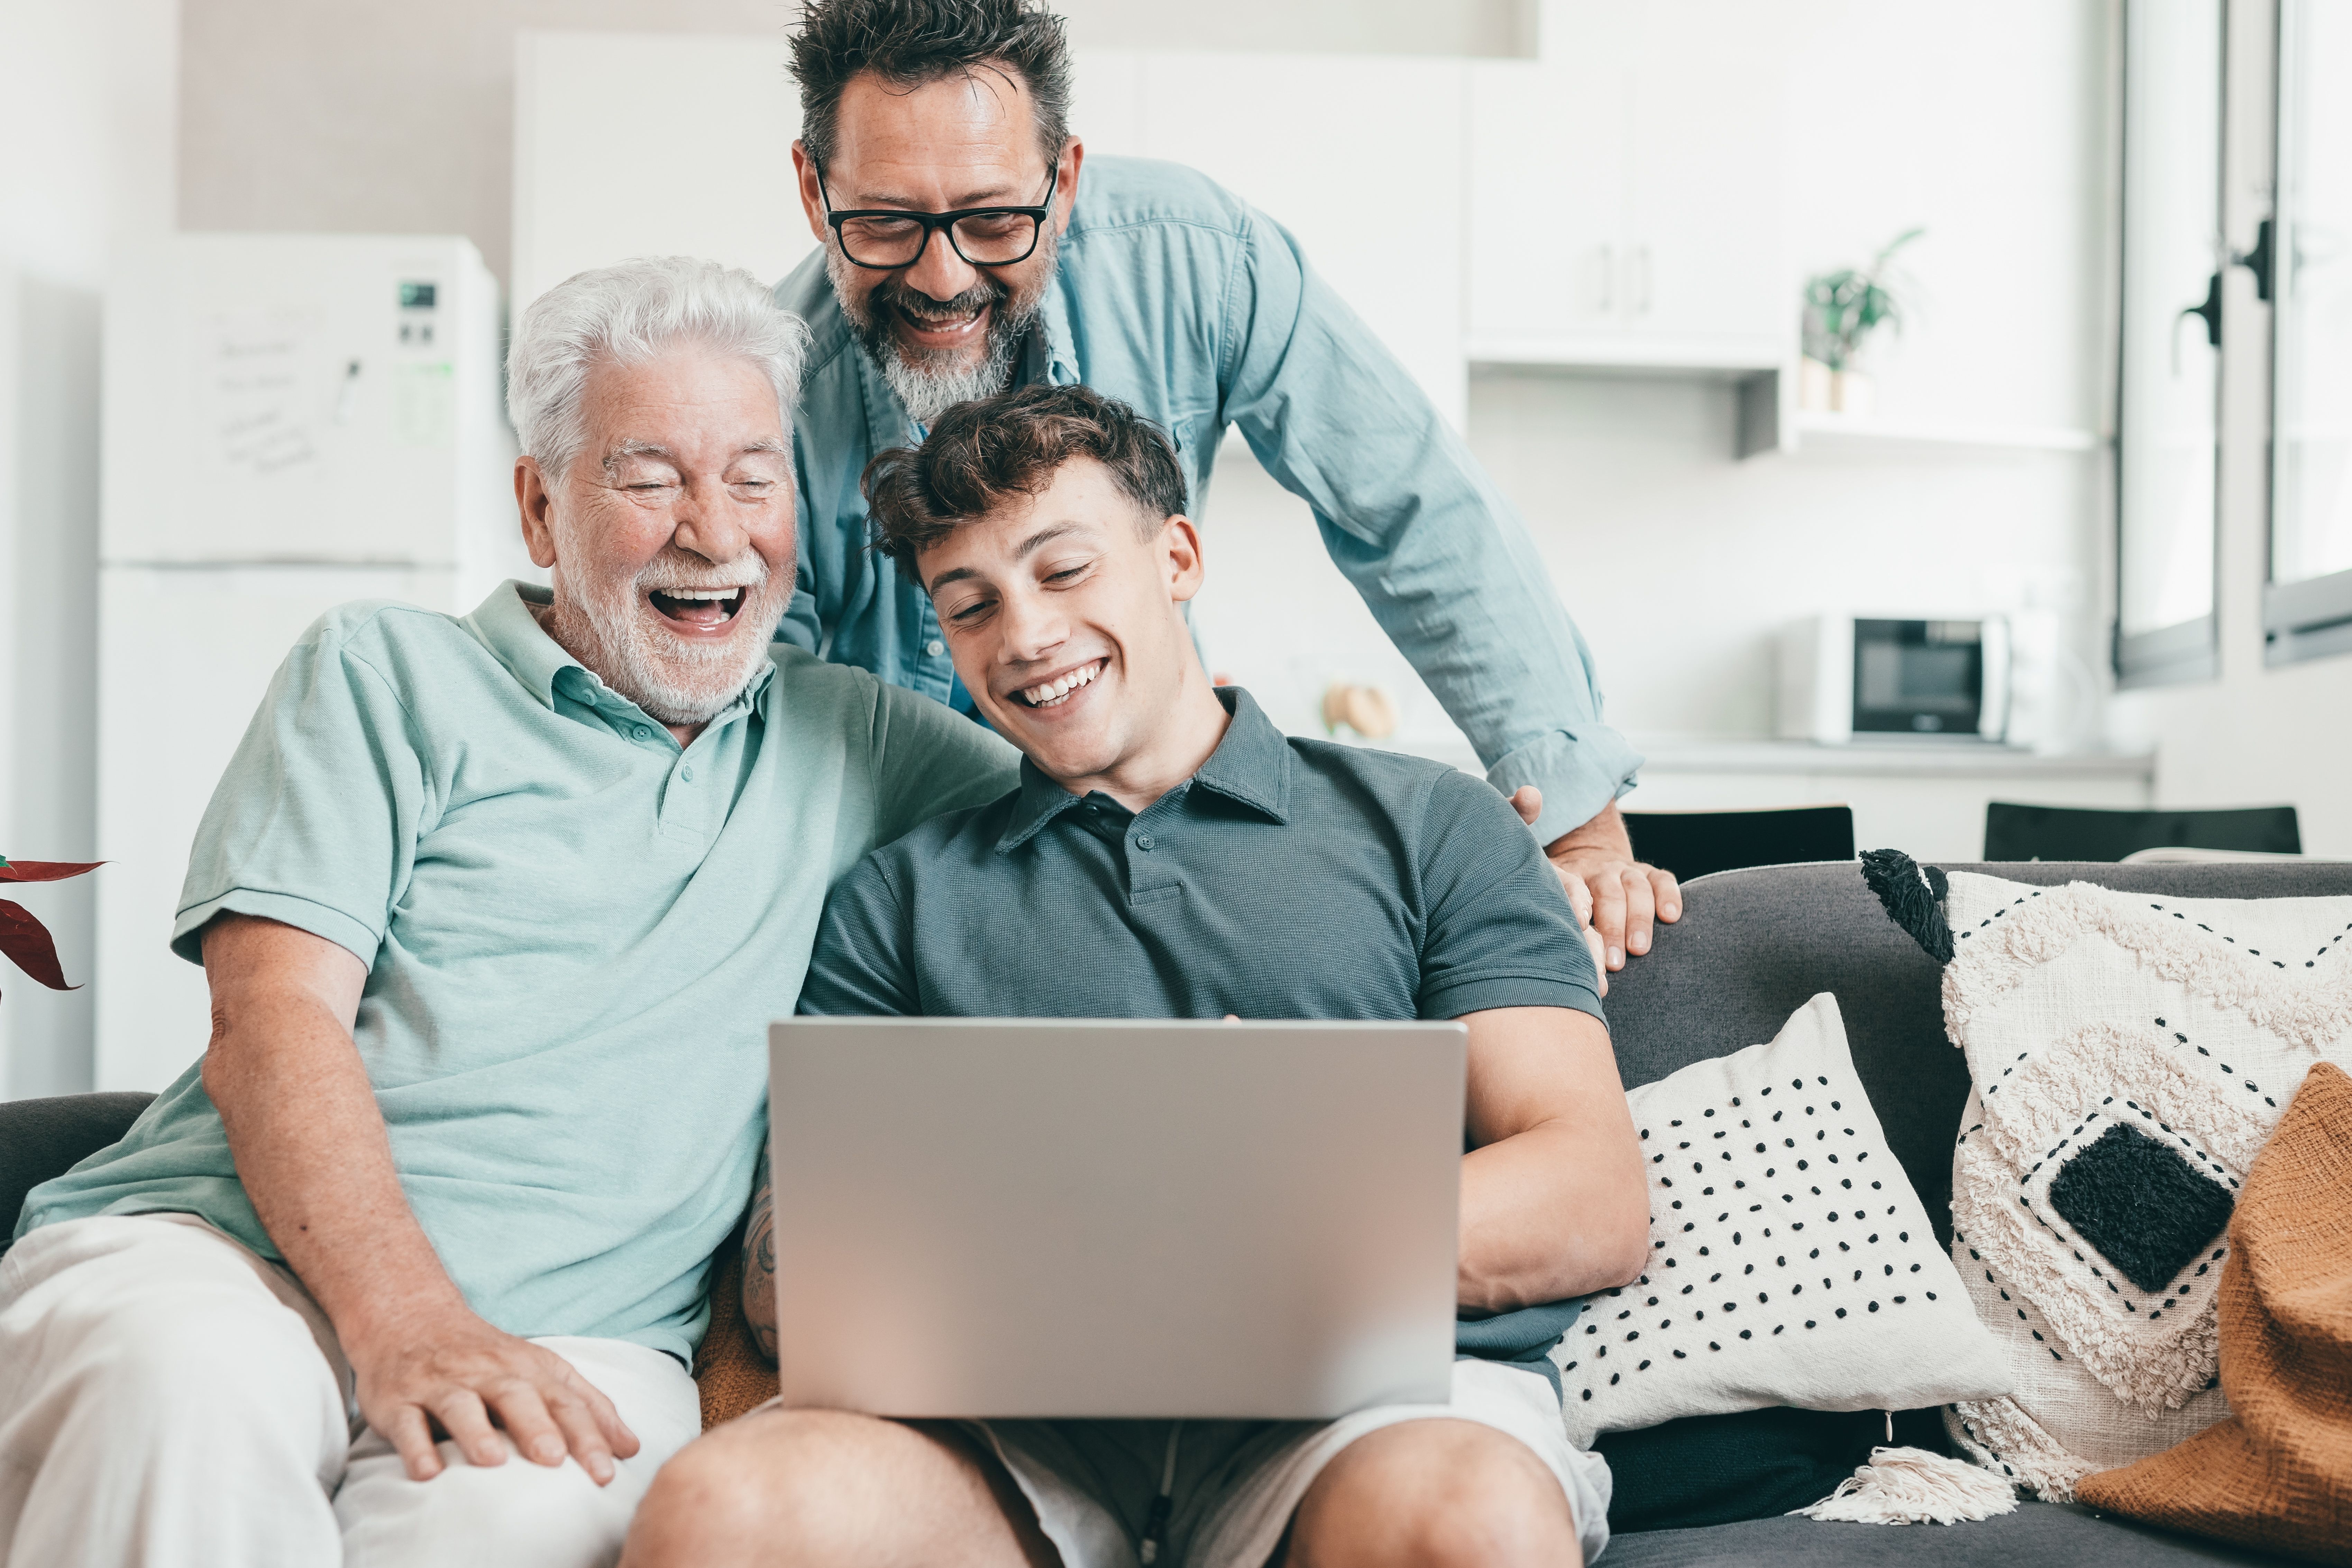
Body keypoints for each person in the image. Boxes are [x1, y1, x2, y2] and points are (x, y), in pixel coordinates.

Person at [0, 258, 1016, 1568]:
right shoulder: (383, 672)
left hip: (577, 1339)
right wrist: (407, 1324)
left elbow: (1096, 799)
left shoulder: (855, 740)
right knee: (184, 1384)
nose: (716, 532)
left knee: (518, 1510)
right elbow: (272, 1020)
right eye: (650, 476)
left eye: (755, 476)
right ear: (541, 506)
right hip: (220, 1257)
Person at [623, 384, 1650, 1568]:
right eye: (971, 606)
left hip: (1372, 1409)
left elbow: (1590, 1198)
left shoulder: (1434, 827)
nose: (1024, 639)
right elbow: (793, 1277)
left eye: (1064, 573)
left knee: (1464, 1519)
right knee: (723, 1515)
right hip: (1012, 1433)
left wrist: (1217, 1242)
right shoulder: (898, 899)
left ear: (1178, 556)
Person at [772, 0, 1682, 979]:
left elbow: (1412, 505)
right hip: (925, 879)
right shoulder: (770, 401)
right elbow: (755, 723)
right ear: (817, 196)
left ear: (1065, 181)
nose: (943, 276)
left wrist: (1579, 820)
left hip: (1166, 816)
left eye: (994, 219)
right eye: (887, 223)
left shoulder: (1197, 258)